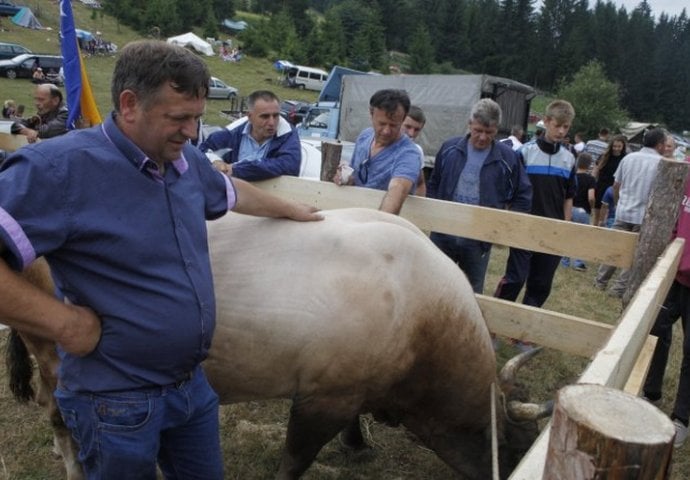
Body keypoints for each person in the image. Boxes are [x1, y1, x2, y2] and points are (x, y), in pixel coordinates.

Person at [0, 40, 322, 479]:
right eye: (179, 118)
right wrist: (64, 325)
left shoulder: (183, 159)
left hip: (191, 389)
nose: (192, 132)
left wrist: (294, 210)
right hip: (115, 399)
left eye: (196, 117)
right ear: (130, 105)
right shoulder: (58, 170)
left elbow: (228, 192)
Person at [427, 98, 531, 294]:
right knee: (433, 285)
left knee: (472, 292)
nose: (482, 137)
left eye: (489, 133)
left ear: (497, 129)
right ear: (469, 124)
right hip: (443, 232)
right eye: (478, 130)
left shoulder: (507, 158)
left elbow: (523, 194)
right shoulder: (450, 149)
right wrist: (434, 217)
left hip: (479, 237)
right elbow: (434, 183)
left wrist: (505, 225)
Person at [494, 99, 577, 309]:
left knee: (541, 283)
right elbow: (510, 190)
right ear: (546, 121)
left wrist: (565, 225)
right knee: (516, 277)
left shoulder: (569, 159)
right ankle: (496, 321)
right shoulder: (524, 153)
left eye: (565, 127)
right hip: (525, 226)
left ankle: (523, 333)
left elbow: (569, 196)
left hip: (553, 229)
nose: (561, 131)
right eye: (557, 125)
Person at [641, 175, 690, 448]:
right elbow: (672, 217)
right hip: (674, 274)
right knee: (656, 330)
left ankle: (681, 418)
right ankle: (651, 391)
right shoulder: (683, 173)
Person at [594, 128, 667, 296]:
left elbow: (616, 185)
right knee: (635, 254)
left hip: (623, 211)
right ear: (659, 144)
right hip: (644, 216)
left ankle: (600, 281)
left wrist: (619, 203)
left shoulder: (628, 158)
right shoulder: (661, 163)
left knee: (615, 248)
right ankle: (619, 288)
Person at [333, 89, 420, 215]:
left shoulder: (408, 153)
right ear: (371, 113)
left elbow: (398, 189)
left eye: (393, 125)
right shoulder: (364, 137)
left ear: (403, 119)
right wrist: (346, 177)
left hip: (382, 223)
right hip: (354, 216)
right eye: (382, 123)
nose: (386, 131)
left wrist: (379, 224)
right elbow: (355, 176)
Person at [198, 90, 301, 181]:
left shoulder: (288, 133)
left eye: (276, 115)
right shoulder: (233, 132)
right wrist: (215, 161)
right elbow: (202, 150)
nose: (272, 122)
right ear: (250, 117)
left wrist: (236, 169)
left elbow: (290, 166)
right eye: (265, 116)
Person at [561, 152, 595, 271]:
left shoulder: (571, 176)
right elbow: (591, 197)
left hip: (568, 209)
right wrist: (592, 207)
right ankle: (578, 262)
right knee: (581, 237)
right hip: (582, 210)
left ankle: (564, 261)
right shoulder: (590, 179)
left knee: (566, 235)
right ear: (590, 165)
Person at [591, 134, 627, 226]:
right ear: (611, 146)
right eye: (614, 146)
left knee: (611, 217)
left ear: (623, 147)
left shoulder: (625, 159)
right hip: (601, 187)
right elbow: (595, 171)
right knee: (597, 217)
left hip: (614, 189)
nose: (616, 148)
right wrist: (592, 184)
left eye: (619, 146)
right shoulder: (604, 156)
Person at [402, 105, 428, 197]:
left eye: (417, 130)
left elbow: (420, 184)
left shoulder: (417, 151)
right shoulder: (377, 145)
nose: (411, 133)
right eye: (408, 127)